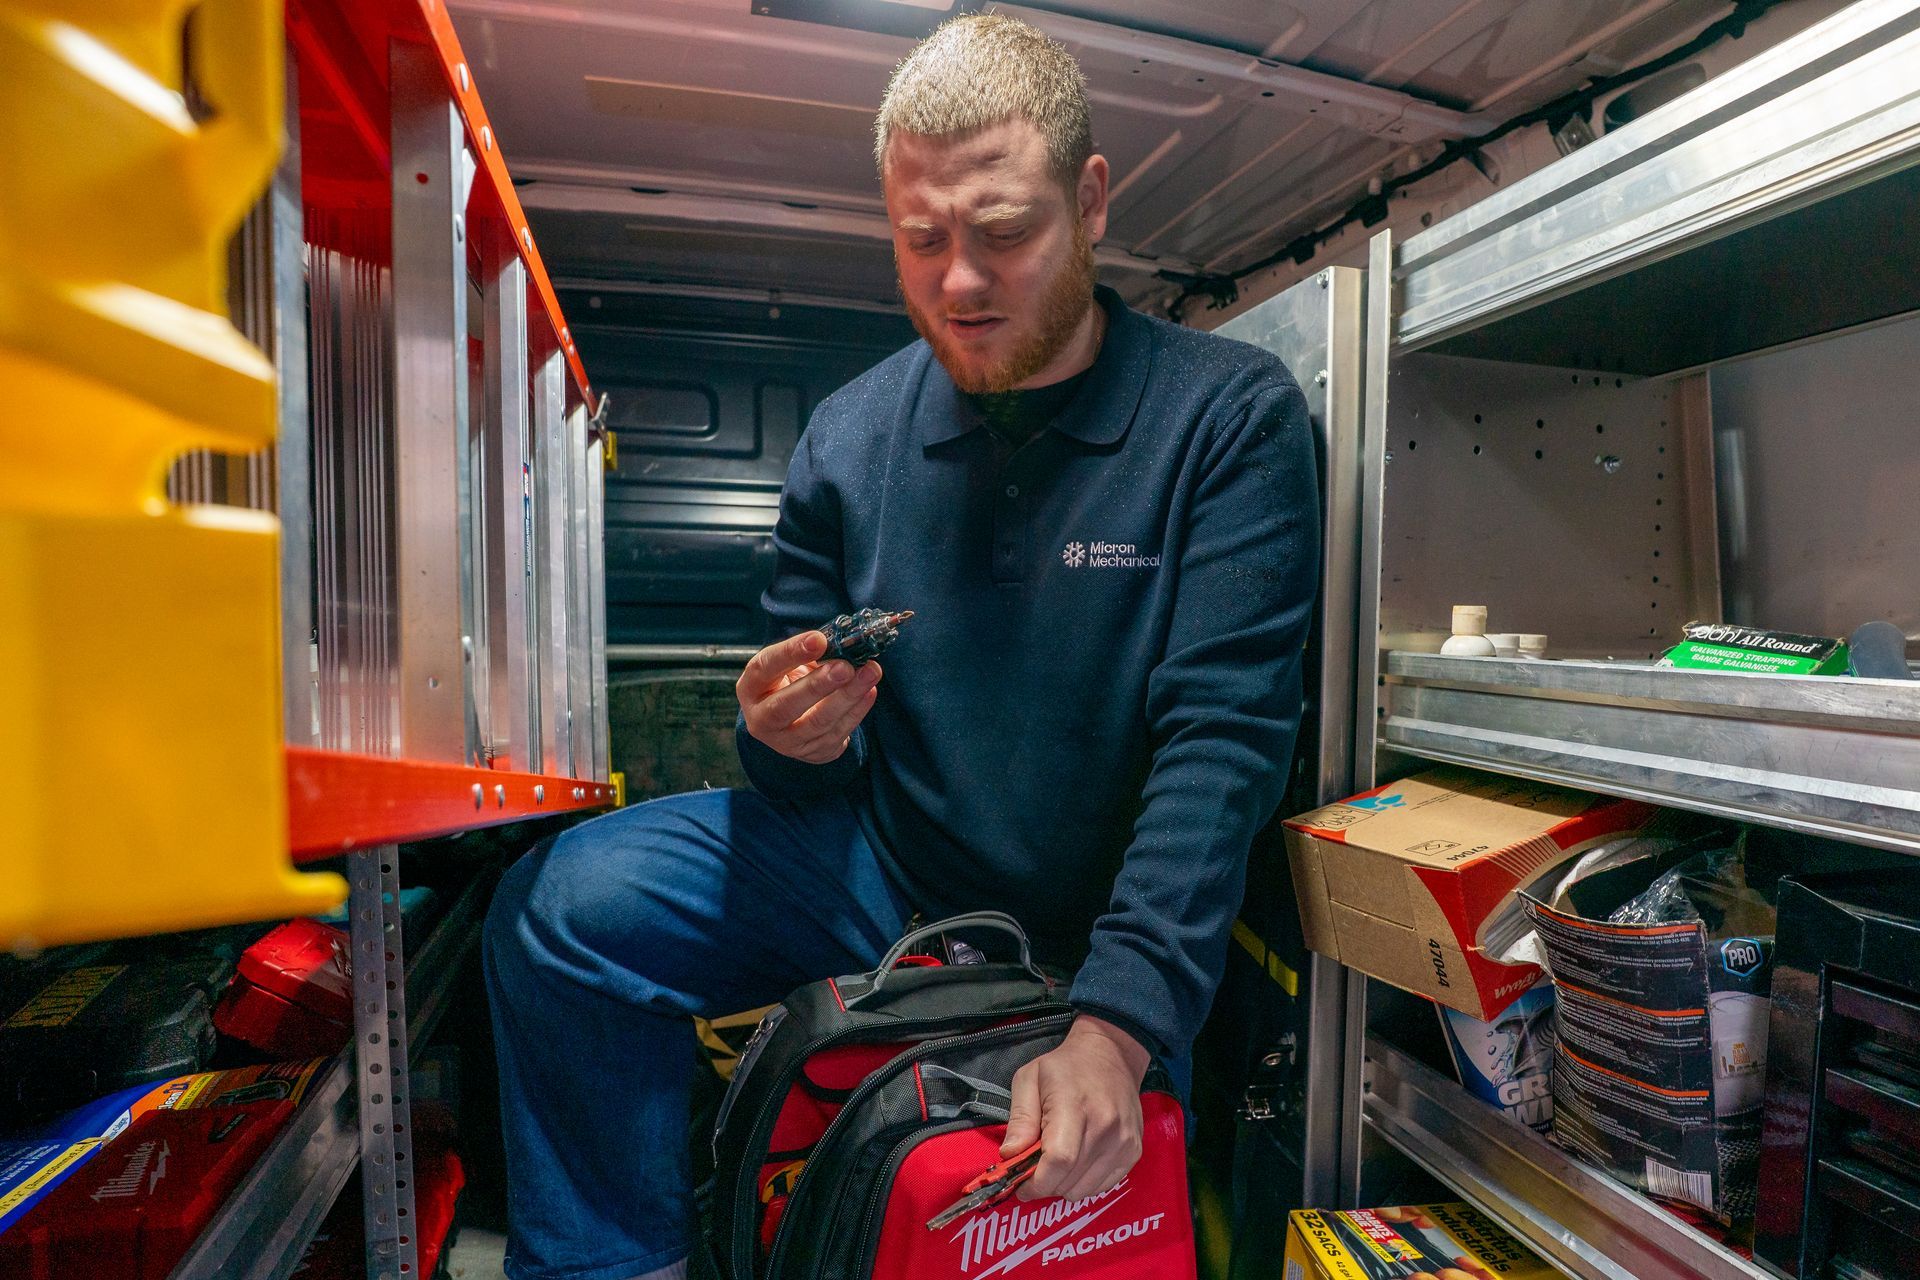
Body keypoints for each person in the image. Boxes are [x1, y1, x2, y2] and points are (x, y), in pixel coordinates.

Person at [483, 14, 1320, 1280]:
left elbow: (1224, 748)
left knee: (1098, 1197)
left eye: (1004, 232)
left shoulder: (1227, 417)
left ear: (1090, 201)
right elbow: (802, 751)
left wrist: (1121, 1022)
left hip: (1099, 919)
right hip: (887, 867)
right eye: (920, 239)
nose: (961, 282)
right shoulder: (848, 435)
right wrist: (783, 741)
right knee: (561, 909)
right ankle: (619, 1262)